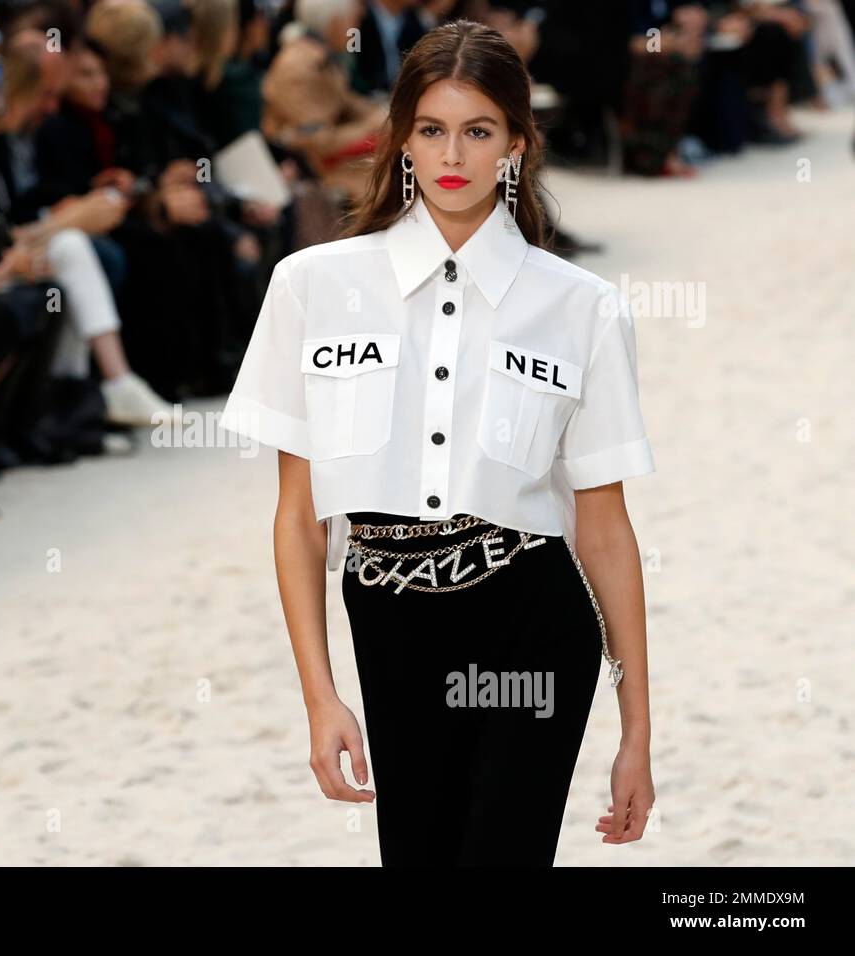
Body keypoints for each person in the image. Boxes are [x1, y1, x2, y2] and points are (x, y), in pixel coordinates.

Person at [218, 19, 657, 866]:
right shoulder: (313, 285)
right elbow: (299, 516)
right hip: (387, 626)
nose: (453, 153)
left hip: (530, 624)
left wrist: (637, 728)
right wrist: (321, 697)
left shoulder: (581, 306)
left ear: (516, 146)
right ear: (401, 141)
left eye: (479, 130)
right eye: (431, 129)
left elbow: (603, 526)